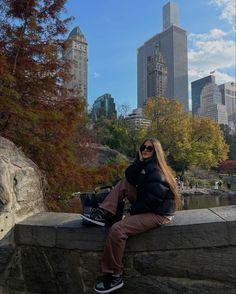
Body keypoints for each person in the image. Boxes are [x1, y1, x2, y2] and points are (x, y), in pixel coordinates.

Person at [81, 138, 180, 293]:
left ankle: (115, 276)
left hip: (159, 213)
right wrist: (139, 162)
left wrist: (131, 213)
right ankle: (102, 212)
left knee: (117, 229)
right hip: (148, 205)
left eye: (149, 148)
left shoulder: (156, 170)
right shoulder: (145, 165)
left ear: (156, 152)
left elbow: (153, 201)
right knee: (125, 182)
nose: (145, 150)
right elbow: (130, 177)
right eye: (143, 147)